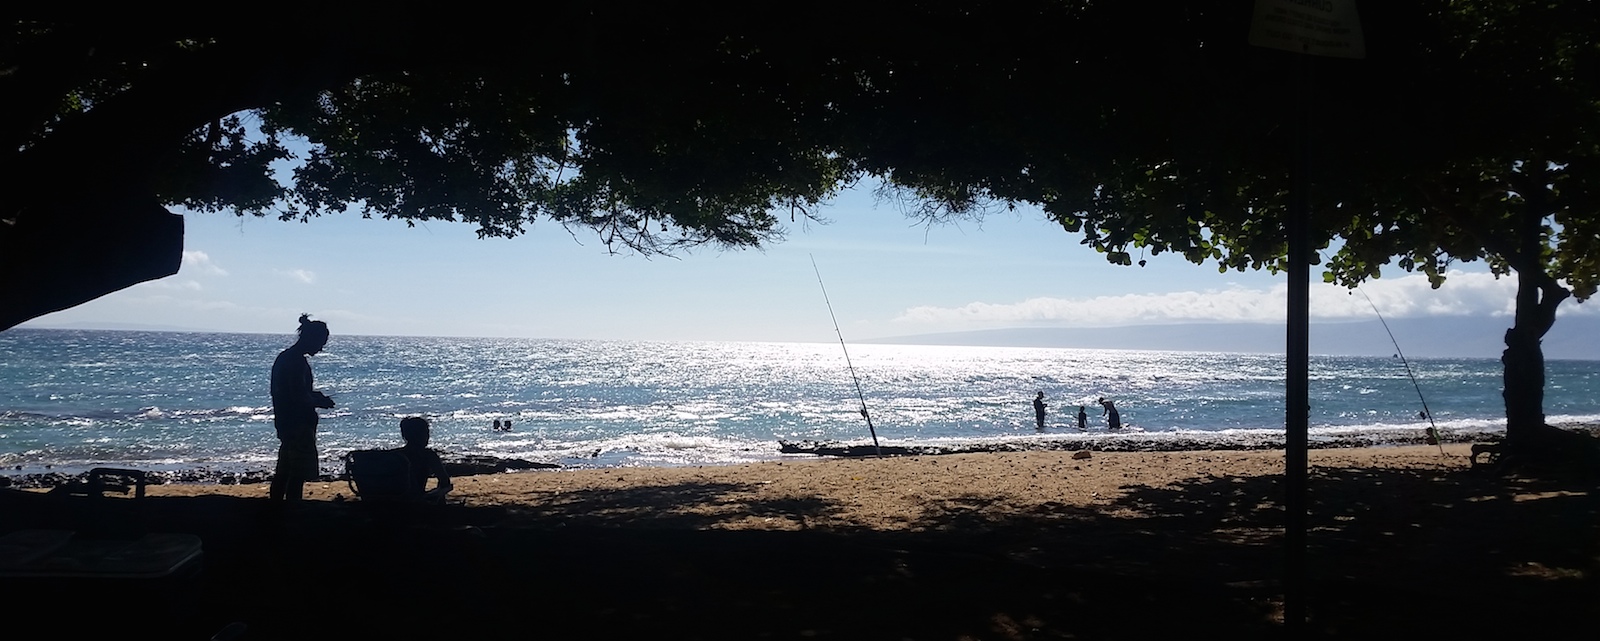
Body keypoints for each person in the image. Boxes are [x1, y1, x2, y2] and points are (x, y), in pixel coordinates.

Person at [269, 314, 336, 501]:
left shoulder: (287, 358)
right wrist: (319, 401)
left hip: (286, 422)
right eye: (321, 342)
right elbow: (297, 396)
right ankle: (290, 508)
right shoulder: (295, 362)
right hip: (297, 425)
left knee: (284, 470)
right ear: (311, 339)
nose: (321, 348)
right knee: (295, 475)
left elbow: (293, 392)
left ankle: (276, 507)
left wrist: (314, 396)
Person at [399, 416, 452, 503]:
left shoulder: (397, 455)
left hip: (397, 499)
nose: (428, 436)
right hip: (417, 502)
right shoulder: (428, 455)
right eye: (426, 433)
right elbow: (445, 481)